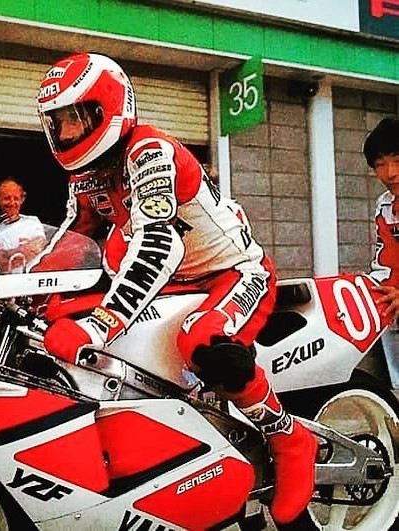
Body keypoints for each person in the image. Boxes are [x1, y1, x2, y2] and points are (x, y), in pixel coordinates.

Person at [36, 52, 317, 524]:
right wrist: (24, 292)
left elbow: (158, 245)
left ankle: (287, 435)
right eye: (58, 122)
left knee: (202, 341)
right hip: (174, 284)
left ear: (109, 107)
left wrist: (99, 325)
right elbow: (72, 241)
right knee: (69, 319)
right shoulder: (83, 174)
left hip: (233, 272)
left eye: (76, 117)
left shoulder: (149, 151)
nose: (65, 132)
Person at [364, 118, 399, 323]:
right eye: (380, 165)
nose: (390, 173)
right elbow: (387, 263)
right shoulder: (386, 206)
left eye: (398, 161)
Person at [0, 178, 46, 273]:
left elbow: (38, 248)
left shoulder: (32, 222)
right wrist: (20, 250)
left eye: (16, 198)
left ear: (21, 200)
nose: (12, 203)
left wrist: (7, 254)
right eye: (7, 198)